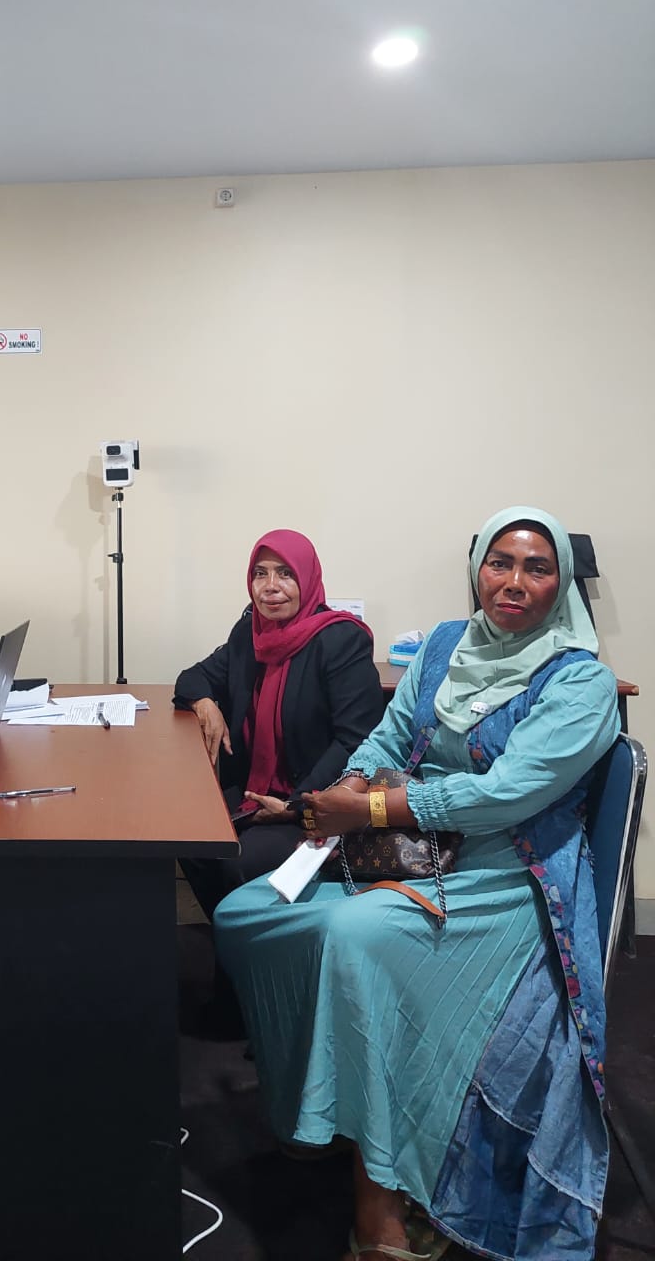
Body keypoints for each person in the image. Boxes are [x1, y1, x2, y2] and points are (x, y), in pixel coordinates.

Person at [214, 507, 621, 1261]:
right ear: (478, 569)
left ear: (561, 583)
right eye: (500, 562)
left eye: (537, 568)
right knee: (246, 913)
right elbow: (391, 735)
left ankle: (382, 1197)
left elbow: (506, 795)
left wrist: (369, 809)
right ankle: (326, 1111)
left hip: (506, 867)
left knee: (352, 937)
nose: (514, 582)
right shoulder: (443, 645)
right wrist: (347, 787)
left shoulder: (581, 683)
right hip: (409, 847)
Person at [174, 529, 383, 918]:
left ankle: (247, 941)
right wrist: (205, 703)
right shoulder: (251, 632)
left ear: (307, 579)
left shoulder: (340, 640)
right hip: (253, 795)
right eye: (260, 573)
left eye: (285, 573)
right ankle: (232, 939)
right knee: (184, 839)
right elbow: (192, 677)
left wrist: (294, 805)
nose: (270, 586)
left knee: (239, 862)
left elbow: (356, 741)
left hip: (316, 802)